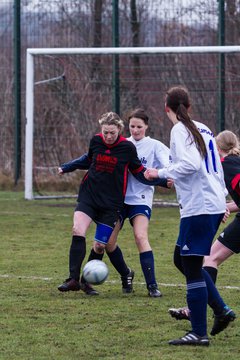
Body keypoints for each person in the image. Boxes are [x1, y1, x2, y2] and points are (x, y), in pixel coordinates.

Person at [144, 86, 236, 346]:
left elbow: (190, 165)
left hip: (200, 206)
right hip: (211, 202)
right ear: (190, 106)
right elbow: (211, 167)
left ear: (166, 108)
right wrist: (220, 201)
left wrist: (159, 173)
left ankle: (199, 332)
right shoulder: (203, 127)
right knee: (181, 259)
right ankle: (221, 309)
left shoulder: (179, 129)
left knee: (192, 266)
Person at [57, 112, 169, 295]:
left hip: (112, 203)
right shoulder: (96, 141)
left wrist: (163, 181)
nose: (108, 136)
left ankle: (121, 278)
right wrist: (67, 167)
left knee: (102, 245)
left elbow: (139, 171)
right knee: (78, 229)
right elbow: (88, 159)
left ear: (119, 130)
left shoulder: (128, 148)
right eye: (105, 132)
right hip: (90, 196)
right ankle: (73, 280)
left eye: (112, 133)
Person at [168, 130, 239, 322]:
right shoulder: (231, 164)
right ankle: (204, 309)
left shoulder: (228, 166)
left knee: (205, 259)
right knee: (210, 258)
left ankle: (207, 310)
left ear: (216, 147)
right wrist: (223, 207)